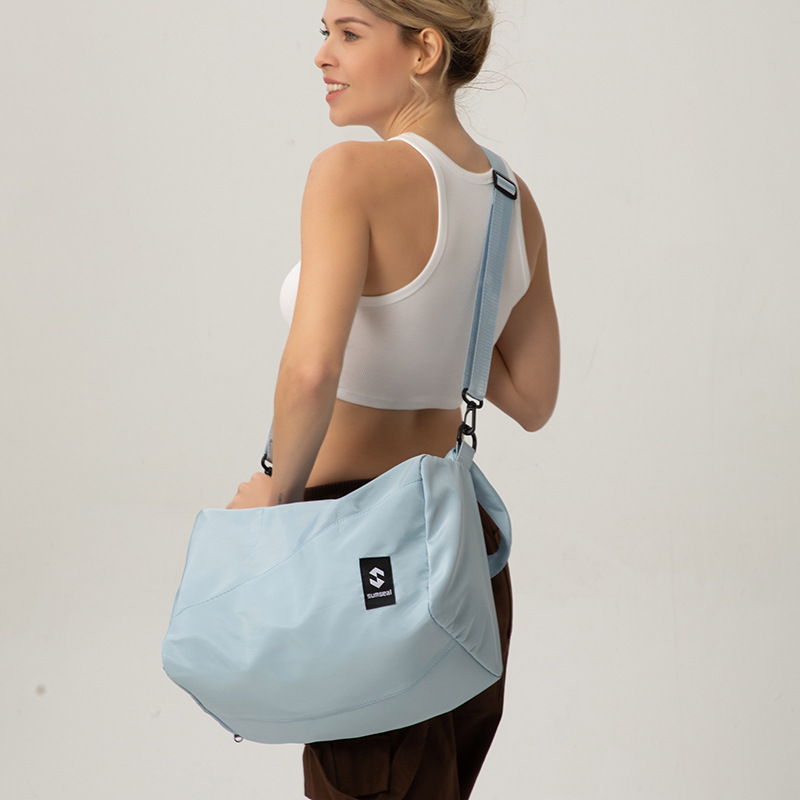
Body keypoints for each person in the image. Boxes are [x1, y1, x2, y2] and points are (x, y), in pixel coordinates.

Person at [227, 0, 560, 797]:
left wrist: (275, 497)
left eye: (349, 33)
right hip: (465, 555)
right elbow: (532, 396)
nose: (323, 56)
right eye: (325, 34)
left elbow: (312, 371)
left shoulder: (349, 173)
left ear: (424, 51)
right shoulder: (511, 200)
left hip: (358, 554)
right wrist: (446, 312)